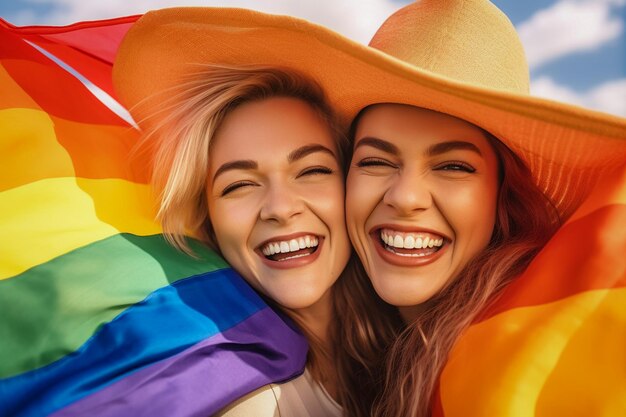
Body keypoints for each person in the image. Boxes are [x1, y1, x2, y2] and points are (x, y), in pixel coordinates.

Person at [113, 2, 625, 416]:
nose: (404, 197)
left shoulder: (535, 350)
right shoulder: (273, 377)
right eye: (377, 161)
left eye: (453, 167)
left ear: (503, 195)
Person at [114, 17, 398, 415]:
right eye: (239, 185)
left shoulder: (411, 341)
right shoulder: (242, 398)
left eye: (312, 171)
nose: (281, 208)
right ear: (206, 218)